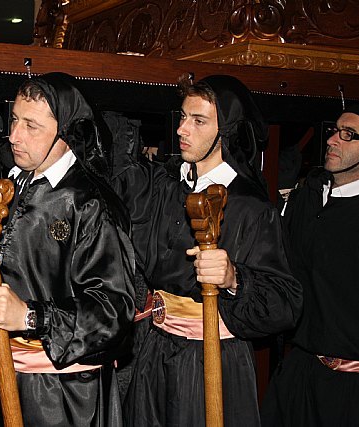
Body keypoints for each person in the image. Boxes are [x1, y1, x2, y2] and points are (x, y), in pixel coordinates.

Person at [0, 23, 136, 426]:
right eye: (15, 119)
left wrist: (31, 316)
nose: (14, 134)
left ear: (67, 136)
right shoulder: (6, 165)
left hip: (64, 397)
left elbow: (114, 313)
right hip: (2, 375)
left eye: (31, 126)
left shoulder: (91, 204)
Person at [111, 74, 302, 426]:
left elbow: (286, 303)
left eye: (198, 121)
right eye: (183, 117)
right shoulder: (163, 185)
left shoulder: (251, 207)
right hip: (154, 352)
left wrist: (235, 279)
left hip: (208, 362)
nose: (183, 129)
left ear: (226, 132)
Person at [261, 99, 359, 426]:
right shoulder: (308, 198)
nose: (332, 140)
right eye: (335, 131)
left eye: (349, 134)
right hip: (300, 375)